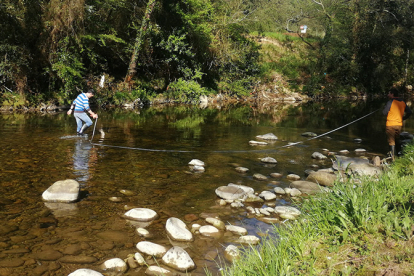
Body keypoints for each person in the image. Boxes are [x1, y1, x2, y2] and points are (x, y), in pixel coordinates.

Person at [383, 87, 412, 160]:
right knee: (397, 139)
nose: (388, 95)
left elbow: (384, 113)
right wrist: (403, 118)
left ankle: (391, 157)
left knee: (391, 141)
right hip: (399, 125)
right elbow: (409, 112)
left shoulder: (390, 102)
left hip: (390, 125)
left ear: (392, 94)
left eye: (389, 93)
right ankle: (399, 155)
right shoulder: (402, 102)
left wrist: (384, 108)